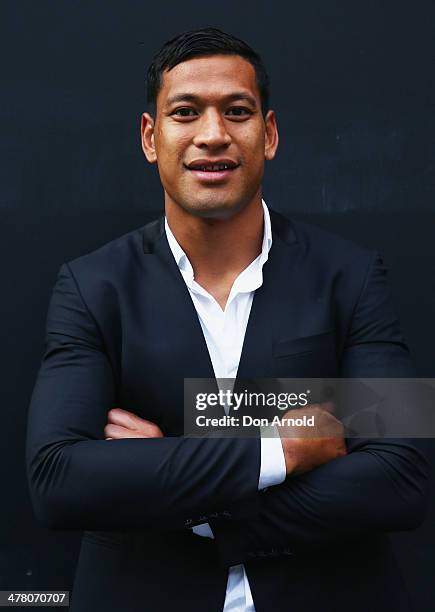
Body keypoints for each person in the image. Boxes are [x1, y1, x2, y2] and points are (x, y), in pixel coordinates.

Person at [26, 28, 429, 612]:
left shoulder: (352, 276)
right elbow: (58, 480)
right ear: (150, 136)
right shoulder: (92, 287)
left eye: (236, 112)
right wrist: (278, 450)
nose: (212, 135)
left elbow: (402, 479)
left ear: (267, 135)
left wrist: (173, 487)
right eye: (185, 112)